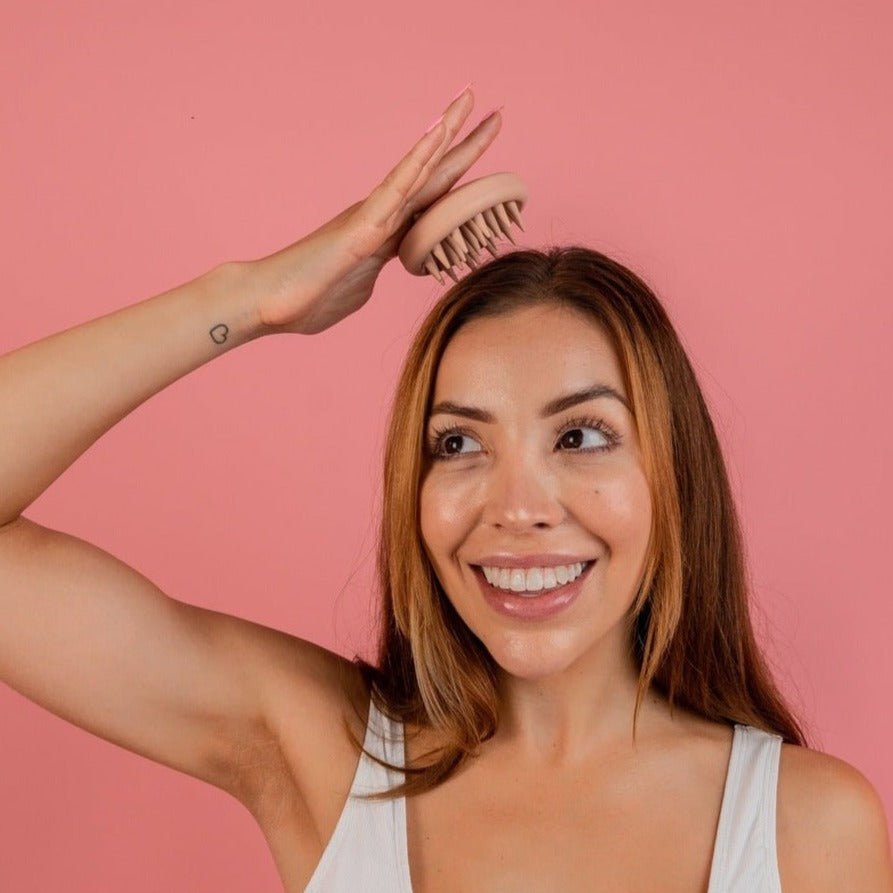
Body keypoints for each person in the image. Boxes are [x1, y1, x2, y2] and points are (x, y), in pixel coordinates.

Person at [0, 86, 890, 893]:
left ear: (672, 475)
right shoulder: (326, 758)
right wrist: (259, 295)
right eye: (458, 442)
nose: (515, 505)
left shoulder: (805, 828)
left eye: (579, 436)